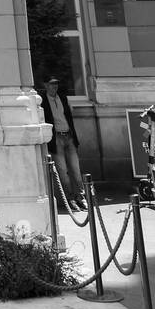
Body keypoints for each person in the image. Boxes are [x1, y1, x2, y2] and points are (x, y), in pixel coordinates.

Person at [40, 76, 86, 210]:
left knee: (76, 169)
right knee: (63, 171)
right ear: (46, 85)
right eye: (52, 84)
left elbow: (69, 116)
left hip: (68, 136)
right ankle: (70, 199)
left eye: (56, 83)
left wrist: (73, 136)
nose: (55, 86)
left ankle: (81, 198)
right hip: (56, 138)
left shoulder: (63, 98)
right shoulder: (43, 101)